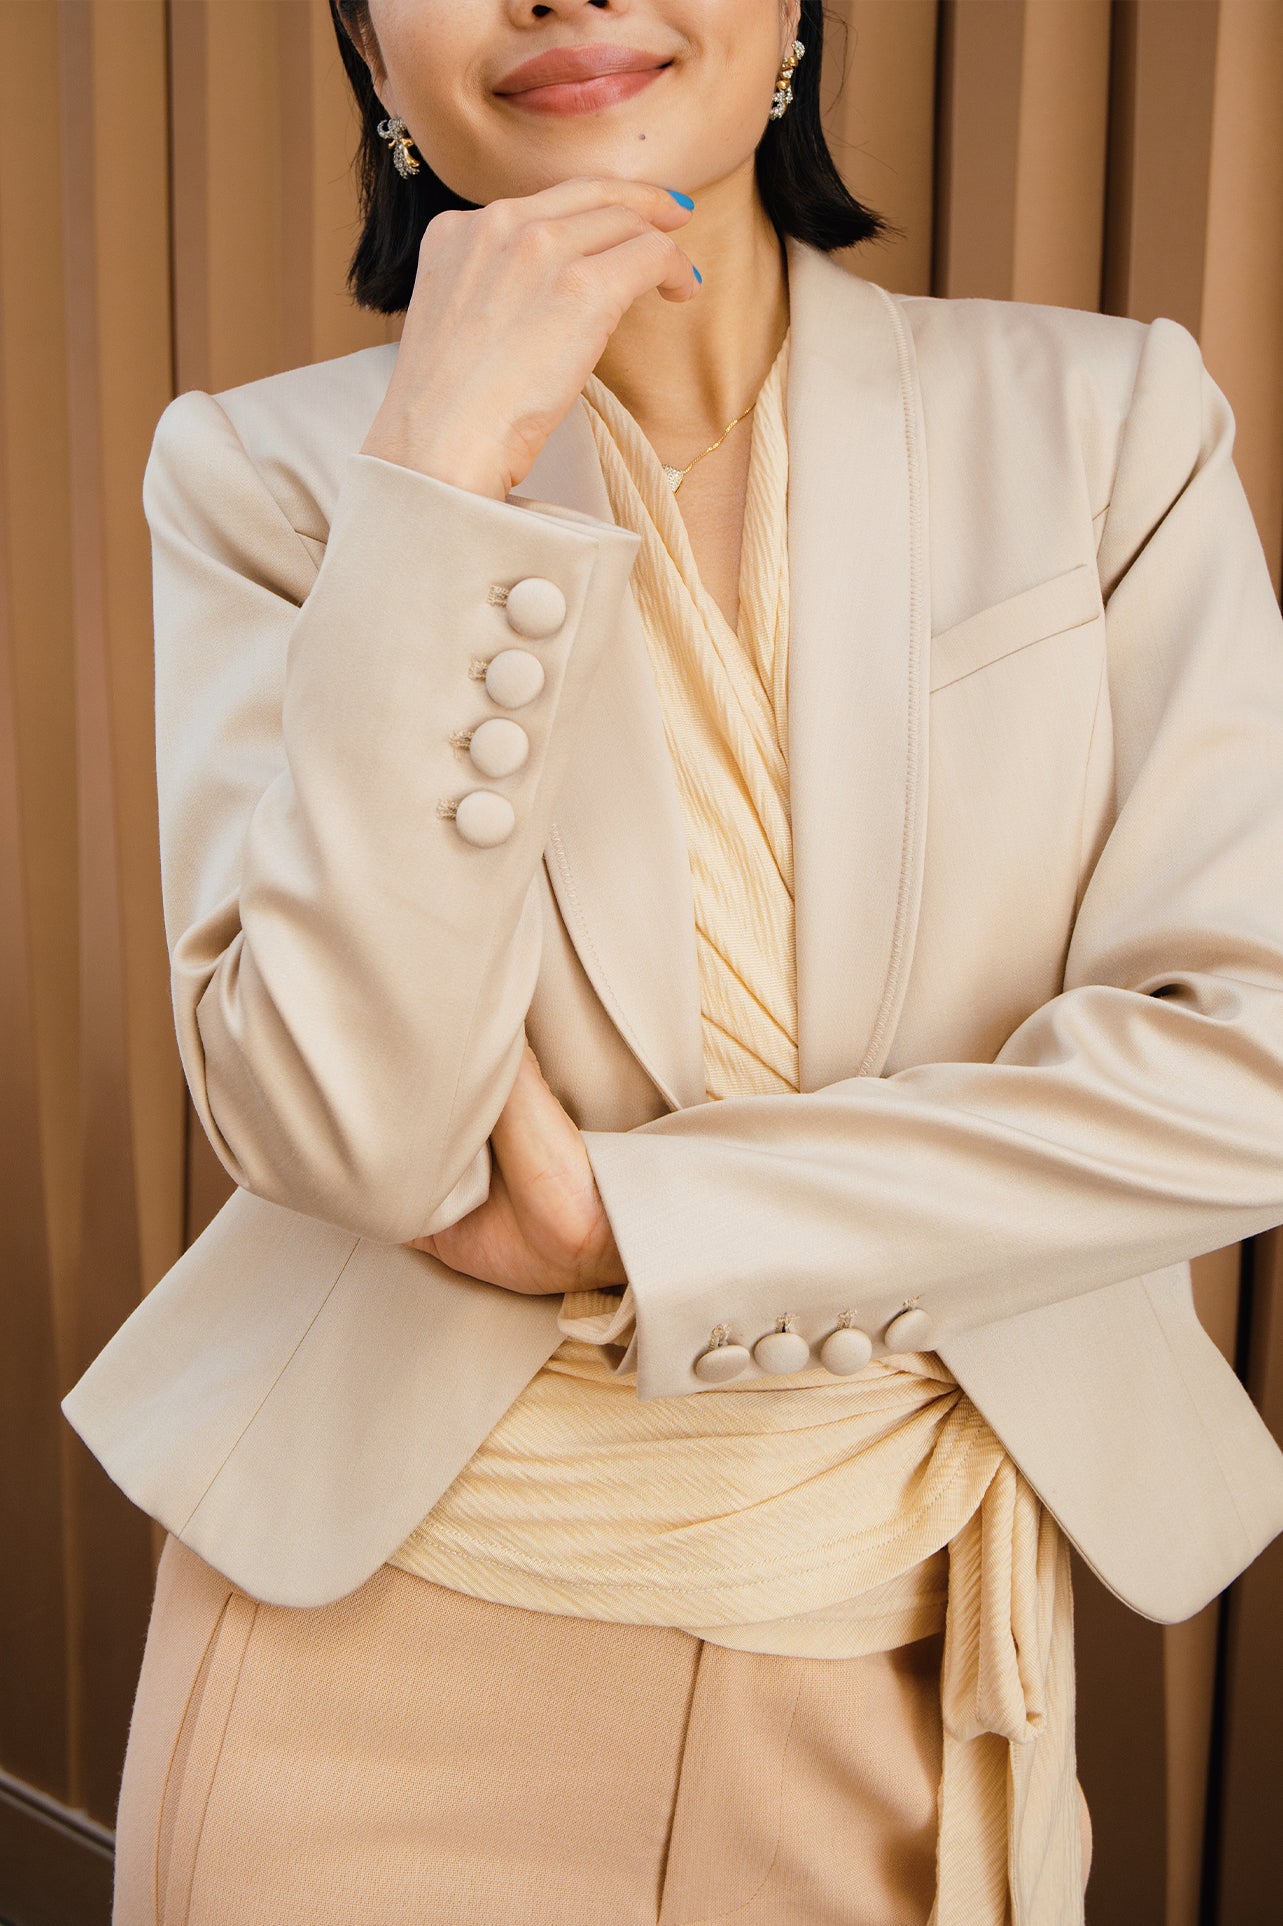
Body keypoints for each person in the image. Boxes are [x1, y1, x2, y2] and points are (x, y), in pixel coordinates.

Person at [60, 1, 1283, 1921]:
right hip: (379, 1660)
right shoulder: (272, 480)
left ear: (794, 14)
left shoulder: (1105, 424)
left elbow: (1252, 1069)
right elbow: (350, 1136)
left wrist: (639, 1223)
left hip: (909, 1657)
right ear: (378, 58)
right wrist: (444, 480)